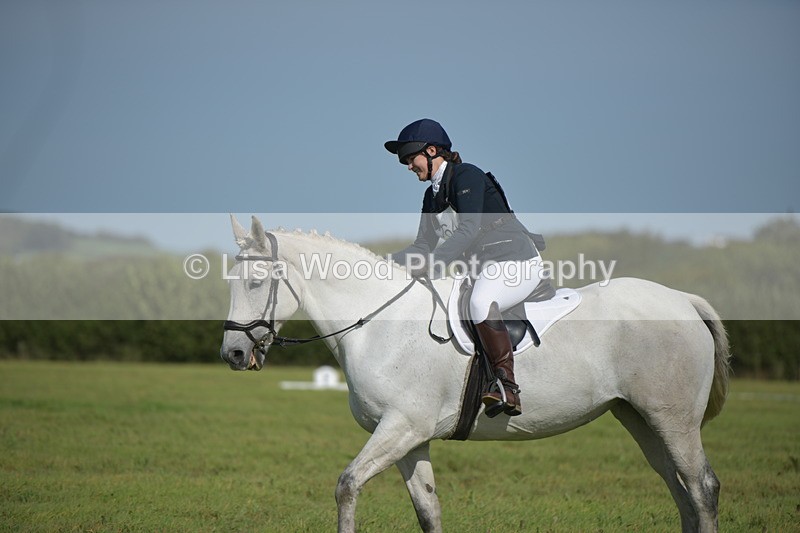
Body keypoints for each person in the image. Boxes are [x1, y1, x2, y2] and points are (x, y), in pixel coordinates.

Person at [385, 118, 546, 417]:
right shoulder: (431, 196)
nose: (408, 166)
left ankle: (507, 386)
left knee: (480, 302)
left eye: (410, 158)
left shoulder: (466, 175)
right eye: (405, 161)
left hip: (516, 260)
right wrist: (385, 263)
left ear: (432, 151)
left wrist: (434, 263)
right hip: (481, 268)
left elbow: (469, 229)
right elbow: (422, 245)